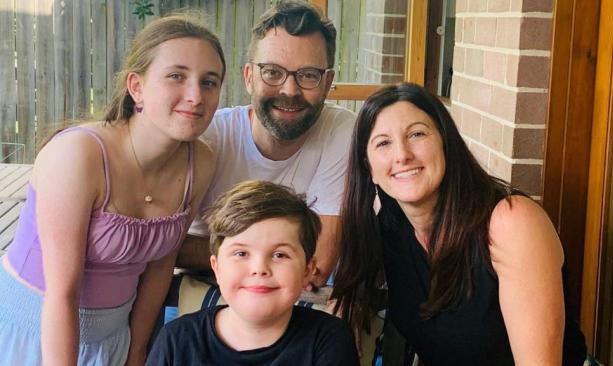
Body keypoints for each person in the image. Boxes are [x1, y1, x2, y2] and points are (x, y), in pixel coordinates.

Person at [0, 15, 225, 365]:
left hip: (113, 338)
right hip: (35, 332)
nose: (195, 95)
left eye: (209, 82)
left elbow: (160, 268)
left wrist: (135, 352)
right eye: (176, 76)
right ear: (136, 86)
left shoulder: (202, 162)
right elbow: (62, 293)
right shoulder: (77, 155)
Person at [331, 83, 589, 365]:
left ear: (446, 143)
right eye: (383, 143)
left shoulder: (510, 223)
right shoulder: (391, 227)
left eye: (417, 134)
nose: (402, 155)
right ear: (369, 169)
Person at [178, 0, 355, 288]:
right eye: (273, 72)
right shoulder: (209, 135)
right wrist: (279, 254)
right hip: (203, 285)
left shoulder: (341, 130)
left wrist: (234, 251)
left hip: (292, 294)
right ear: (249, 77)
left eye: (308, 75)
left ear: (327, 82)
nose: (289, 90)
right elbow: (168, 248)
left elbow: (319, 264)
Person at [147, 180, 359, 365]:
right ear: (217, 267)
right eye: (241, 253)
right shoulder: (176, 340)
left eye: (280, 255)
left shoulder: (329, 340)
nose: (259, 269)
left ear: (307, 271)